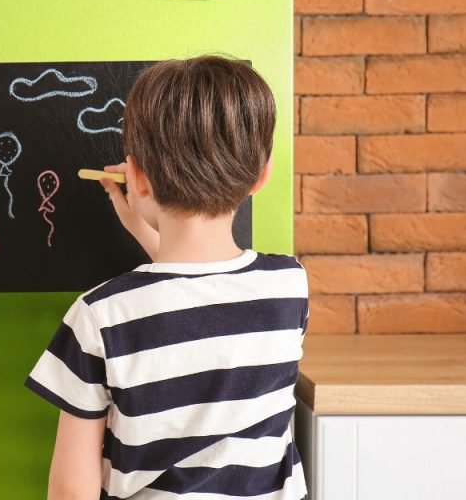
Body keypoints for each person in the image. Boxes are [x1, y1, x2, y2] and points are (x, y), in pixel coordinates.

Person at [25, 56, 309, 500]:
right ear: (262, 175)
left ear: (136, 177)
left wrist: (144, 219)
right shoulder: (289, 286)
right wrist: (144, 226)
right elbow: (203, 298)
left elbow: (71, 488)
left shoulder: (100, 315)